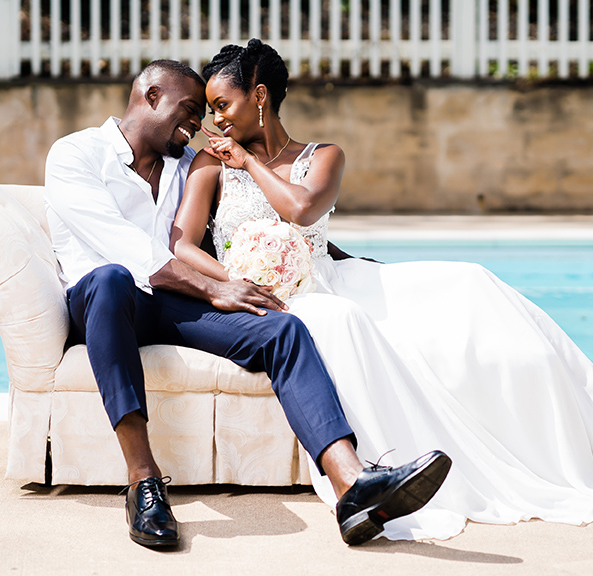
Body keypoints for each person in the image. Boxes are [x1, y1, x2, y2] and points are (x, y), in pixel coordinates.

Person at [170, 40, 593, 541]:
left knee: (471, 283)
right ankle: (378, 477)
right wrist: (231, 280)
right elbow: (183, 245)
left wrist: (249, 161)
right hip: (274, 297)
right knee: (344, 322)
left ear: (259, 96)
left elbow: (302, 211)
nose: (216, 122)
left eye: (223, 105)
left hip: (330, 276)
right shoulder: (208, 163)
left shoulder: (323, 156)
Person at [42, 59, 452, 549]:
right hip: (106, 305)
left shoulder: (185, 164)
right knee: (110, 279)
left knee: (283, 327)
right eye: (191, 110)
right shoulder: (76, 154)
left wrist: (330, 258)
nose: (199, 123)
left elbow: (227, 229)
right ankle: (143, 481)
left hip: (171, 301)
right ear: (151, 97)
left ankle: (351, 485)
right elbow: (124, 251)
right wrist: (215, 287)